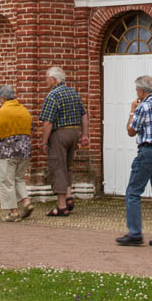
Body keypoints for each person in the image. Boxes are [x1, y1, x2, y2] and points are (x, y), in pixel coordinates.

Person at [116, 75, 152, 248]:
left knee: (133, 192)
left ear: (141, 90)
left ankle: (134, 233)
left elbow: (131, 131)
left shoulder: (143, 106)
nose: (136, 92)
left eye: (136, 89)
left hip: (148, 151)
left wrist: (132, 110)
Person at [0, 85, 34, 221]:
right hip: (24, 151)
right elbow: (30, 128)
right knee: (19, 178)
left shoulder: (2, 112)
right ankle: (26, 202)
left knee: (6, 181)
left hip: (7, 151)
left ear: (2, 98)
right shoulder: (24, 111)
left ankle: (13, 213)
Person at [38, 66, 86, 217]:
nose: (46, 81)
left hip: (59, 134)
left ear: (54, 79)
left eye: (47, 78)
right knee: (67, 166)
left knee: (58, 167)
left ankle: (61, 206)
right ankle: (69, 196)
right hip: (74, 132)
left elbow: (48, 122)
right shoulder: (74, 93)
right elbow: (84, 115)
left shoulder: (52, 96)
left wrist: (44, 142)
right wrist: (85, 135)